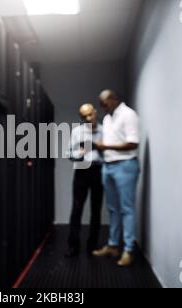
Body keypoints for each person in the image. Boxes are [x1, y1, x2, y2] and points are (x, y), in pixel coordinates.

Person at [93, 90, 140, 267]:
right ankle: (113, 246)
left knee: (126, 208)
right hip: (108, 166)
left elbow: (133, 143)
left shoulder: (129, 115)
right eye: (101, 104)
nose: (102, 107)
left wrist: (105, 146)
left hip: (125, 165)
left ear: (113, 99)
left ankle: (128, 249)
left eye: (104, 103)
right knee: (113, 208)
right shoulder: (106, 119)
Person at [65, 103, 104, 258]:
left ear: (95, 112)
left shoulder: (105, 131)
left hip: (98, 171)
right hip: (81, 171)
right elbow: (68, 153)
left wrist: (102, 149)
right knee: (76, 209)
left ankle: (92, 245)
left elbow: (110, 153)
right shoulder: (77, 132)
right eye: (84, 116)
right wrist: (80, 153)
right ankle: (73, 246)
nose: (88, 118)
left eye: (90, 114)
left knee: (96, 210)